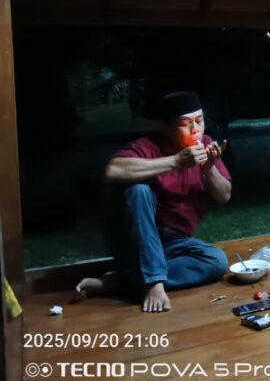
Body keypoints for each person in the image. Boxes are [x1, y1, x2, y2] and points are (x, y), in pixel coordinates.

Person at [75, 91, 231, 312]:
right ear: (166, 127)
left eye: (199, 120)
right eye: (184, 124)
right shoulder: (148, 147)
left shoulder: (205, 145)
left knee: (217, 261)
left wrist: (209, 169)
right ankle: (152, 283)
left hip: (174, 243)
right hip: (137, 239)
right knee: (138, 189)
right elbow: (112, 170)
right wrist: (176, 161)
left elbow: (224, 196)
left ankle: (118, 281)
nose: (195, 129)